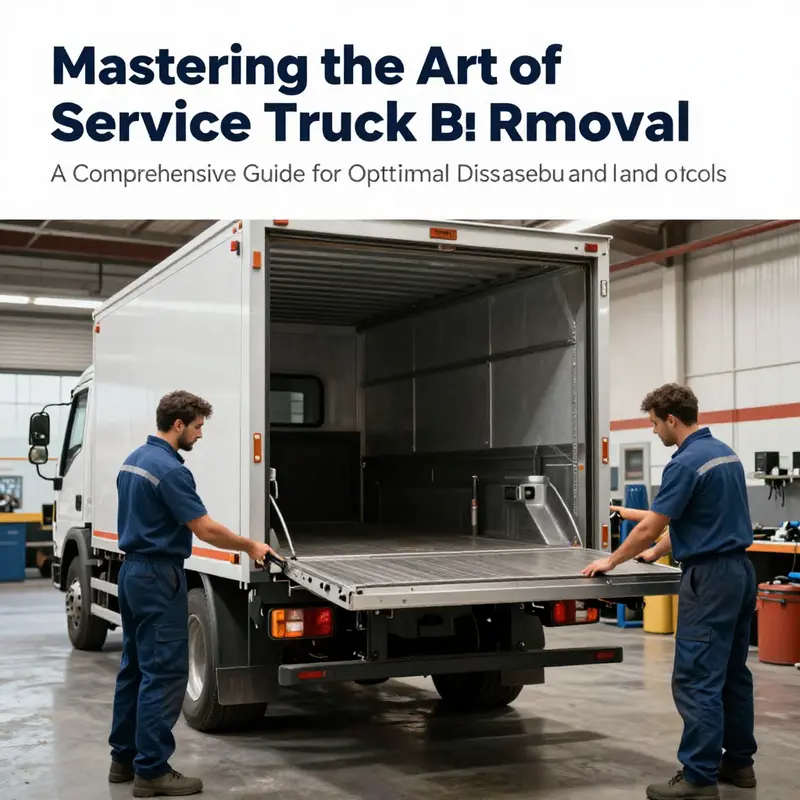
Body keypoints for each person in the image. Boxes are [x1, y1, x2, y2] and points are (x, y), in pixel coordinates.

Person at [583, 384, 757, 800]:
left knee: (697, 677)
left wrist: (613, 560)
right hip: (739, 572)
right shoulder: (723, 453)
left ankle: (698, 776)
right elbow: (691, 519)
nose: (655, 431)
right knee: (732, 674)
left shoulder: (683, 463)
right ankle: (740, 764)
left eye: (655, 423)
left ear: (671, 420)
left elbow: (650, 526)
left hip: (710, 579)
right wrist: (657, 552)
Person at [108, 390, 276, 797]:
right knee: (163, 672)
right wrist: (251, 545)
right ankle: (152, 771)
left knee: (134, 667)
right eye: (198, 426)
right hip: (158, 576)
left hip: (131, 571)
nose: (201, 435)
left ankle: (123, 760)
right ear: (178, 424)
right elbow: (204, 529)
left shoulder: (133, 461)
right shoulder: (170, 470)